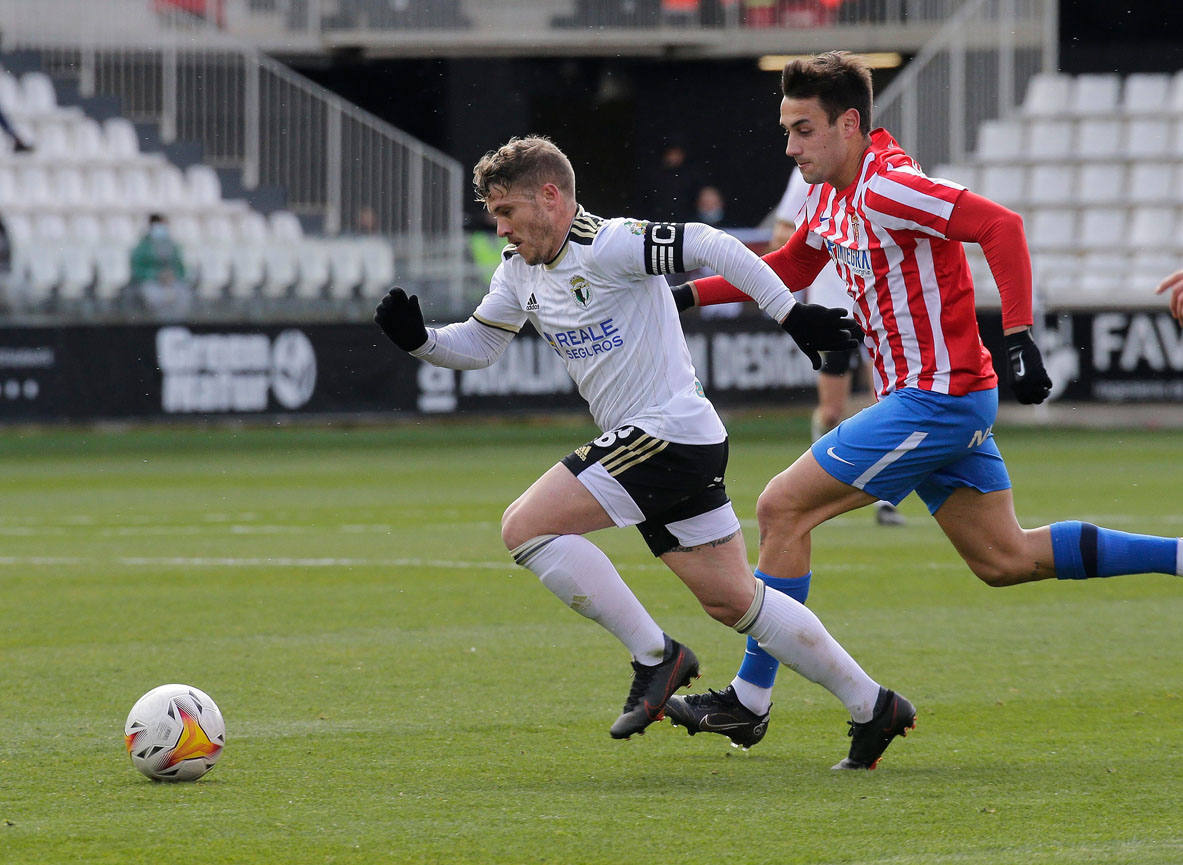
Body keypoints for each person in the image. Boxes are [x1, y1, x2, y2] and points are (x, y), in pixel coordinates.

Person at [664, 51, 1182, 756]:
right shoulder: (827, 191)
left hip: (936, 400)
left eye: (803, 129)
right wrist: (688, 294)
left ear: (848, 124)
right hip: (939, 400)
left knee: (782, 506)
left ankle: (749, 700)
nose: (790, 147)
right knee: (1003, 558)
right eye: (785, 129)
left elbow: (1001, 227)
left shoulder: (888, 187)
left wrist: (1021, 332)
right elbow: (788, 268)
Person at [374, 134, 916, 770]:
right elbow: (481, 344)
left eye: (506, 212)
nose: (500, 229)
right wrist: (420, 341)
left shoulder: (610, 243)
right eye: (493, 214)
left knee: (525, 527)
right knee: (734, 601)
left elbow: (711, 244)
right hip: (670, 445)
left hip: (669, 432)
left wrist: (790, 316)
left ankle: (657, 656)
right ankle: (872, 703)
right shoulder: (519, 271)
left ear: (550, 198)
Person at [772, 167, 904, 526]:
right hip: (832, 311)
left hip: (877, 306)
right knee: (832, 411)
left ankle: (885, 499)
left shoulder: (882, 176)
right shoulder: (807, 177)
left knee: (890, 405)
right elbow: (781, 234)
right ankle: (816, 485)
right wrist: (812, 248)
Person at [130, 213, 190, 319]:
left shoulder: (173, 246)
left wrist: (173, 276)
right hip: (151, 283)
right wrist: (156, 275)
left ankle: (179, 324)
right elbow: (137, 270)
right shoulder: (142, 247)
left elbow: (182, 268)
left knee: (183, 295)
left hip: (172, 282)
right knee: (154, 297)